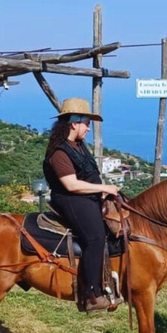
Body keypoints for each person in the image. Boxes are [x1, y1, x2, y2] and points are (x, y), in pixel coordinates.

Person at [43, 98, 119, 311]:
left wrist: (101, 190)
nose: (88, 128)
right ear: (74, 123)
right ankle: (91, 294)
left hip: (87, 196)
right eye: (86, 123)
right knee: (94, 237)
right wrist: (104, 188)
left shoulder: (78, 146)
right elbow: (72, 185)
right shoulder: (59, 152)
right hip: (70, 199)